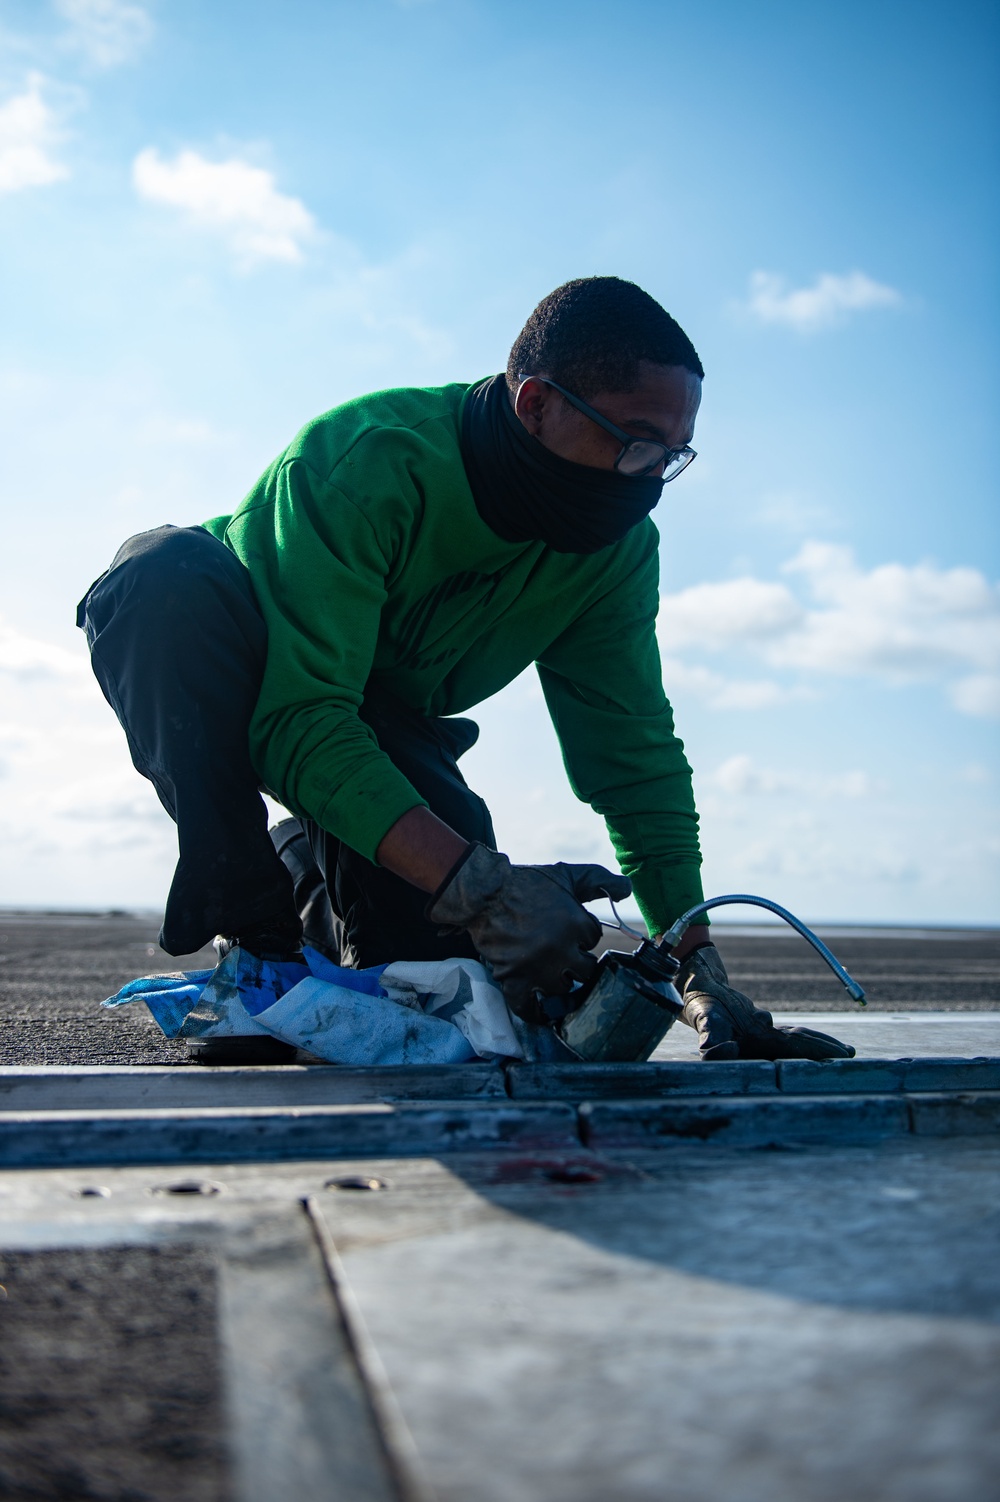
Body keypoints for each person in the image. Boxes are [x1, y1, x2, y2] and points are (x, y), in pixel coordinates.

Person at [78, 276, 852, 1063]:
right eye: (633, 442)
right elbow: (299, 721)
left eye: (671, 455)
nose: (648, 478)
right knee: (159, 577)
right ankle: (260, 936)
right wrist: (480, 885)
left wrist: (698, 964)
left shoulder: (613, 554)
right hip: (246, 672)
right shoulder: (369, 460)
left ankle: (313, 870)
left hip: (382, 725)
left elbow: (634, 760)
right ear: (537, 405)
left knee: (449, 980)